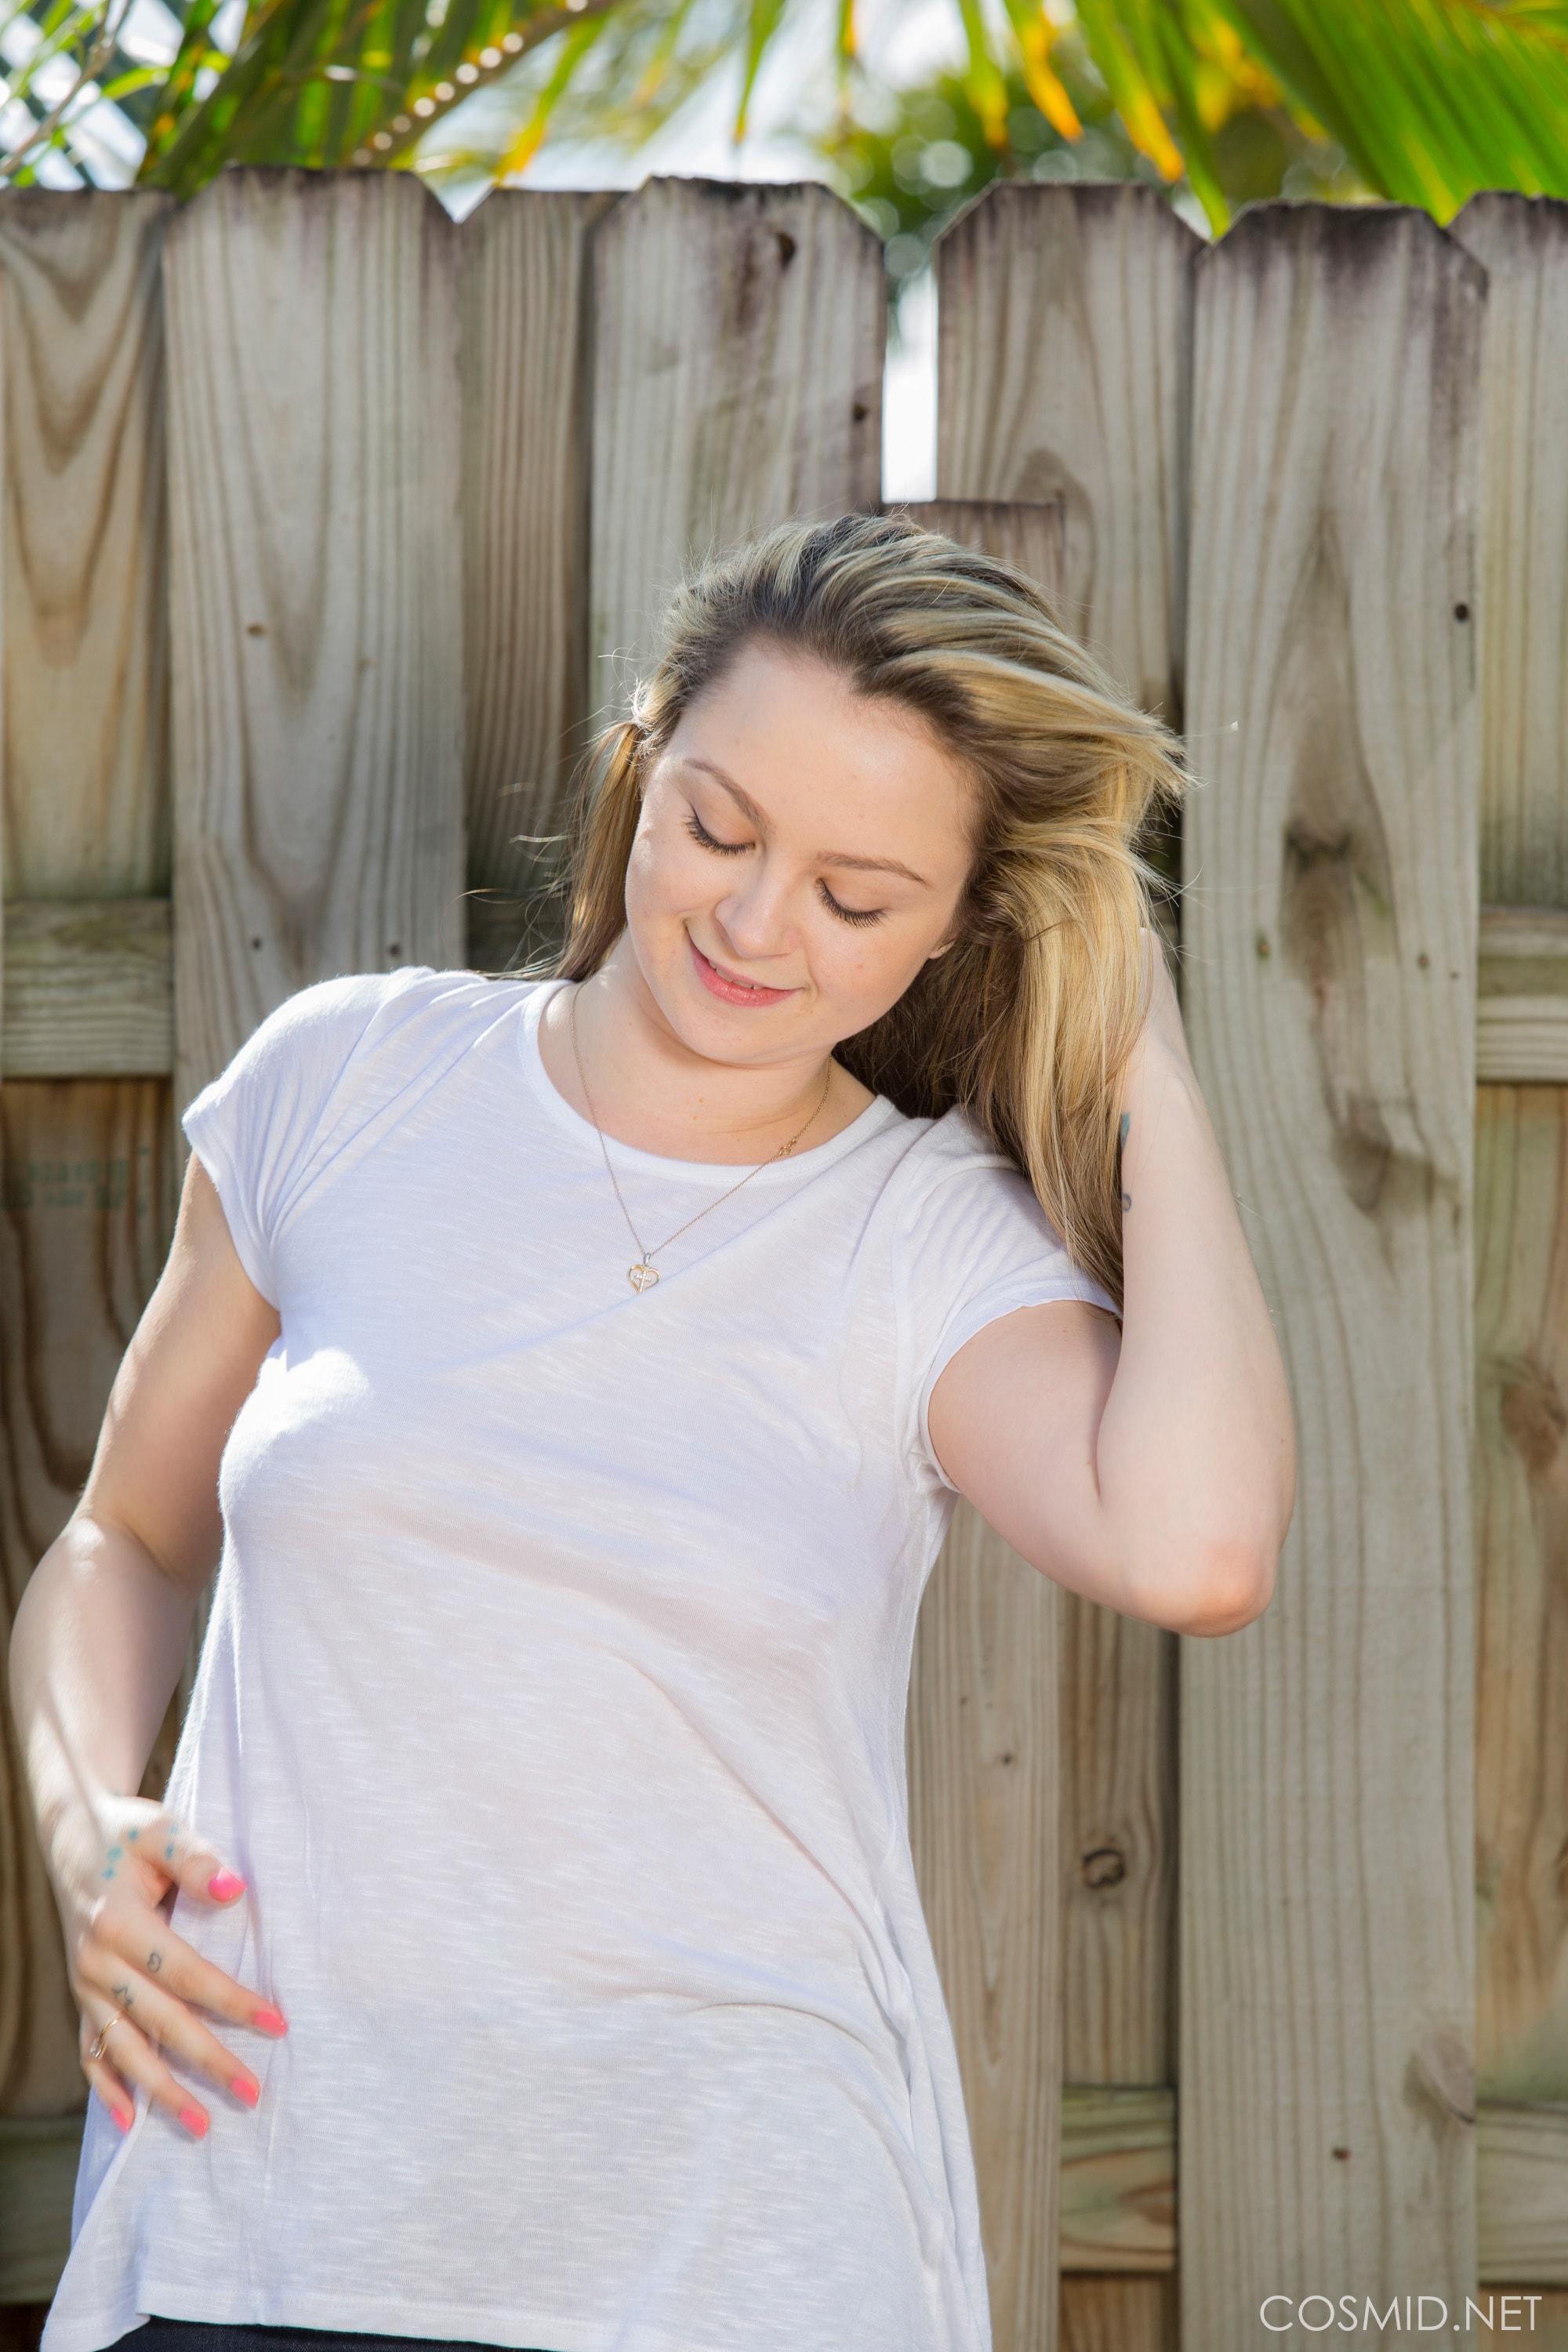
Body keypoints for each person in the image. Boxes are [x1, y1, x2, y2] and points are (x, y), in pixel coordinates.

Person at [13, 512, 1294, 2352]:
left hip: (733, 2243)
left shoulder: (923, 1239)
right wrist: (78, 1826)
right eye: (718, 824)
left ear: (959, 926)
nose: (758, 925)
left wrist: (1135, 1034)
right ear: (643, 762)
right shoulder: (345, 1083)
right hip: (262, 2197)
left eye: (860, 897)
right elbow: (122, 1538)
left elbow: (1194, 1550)